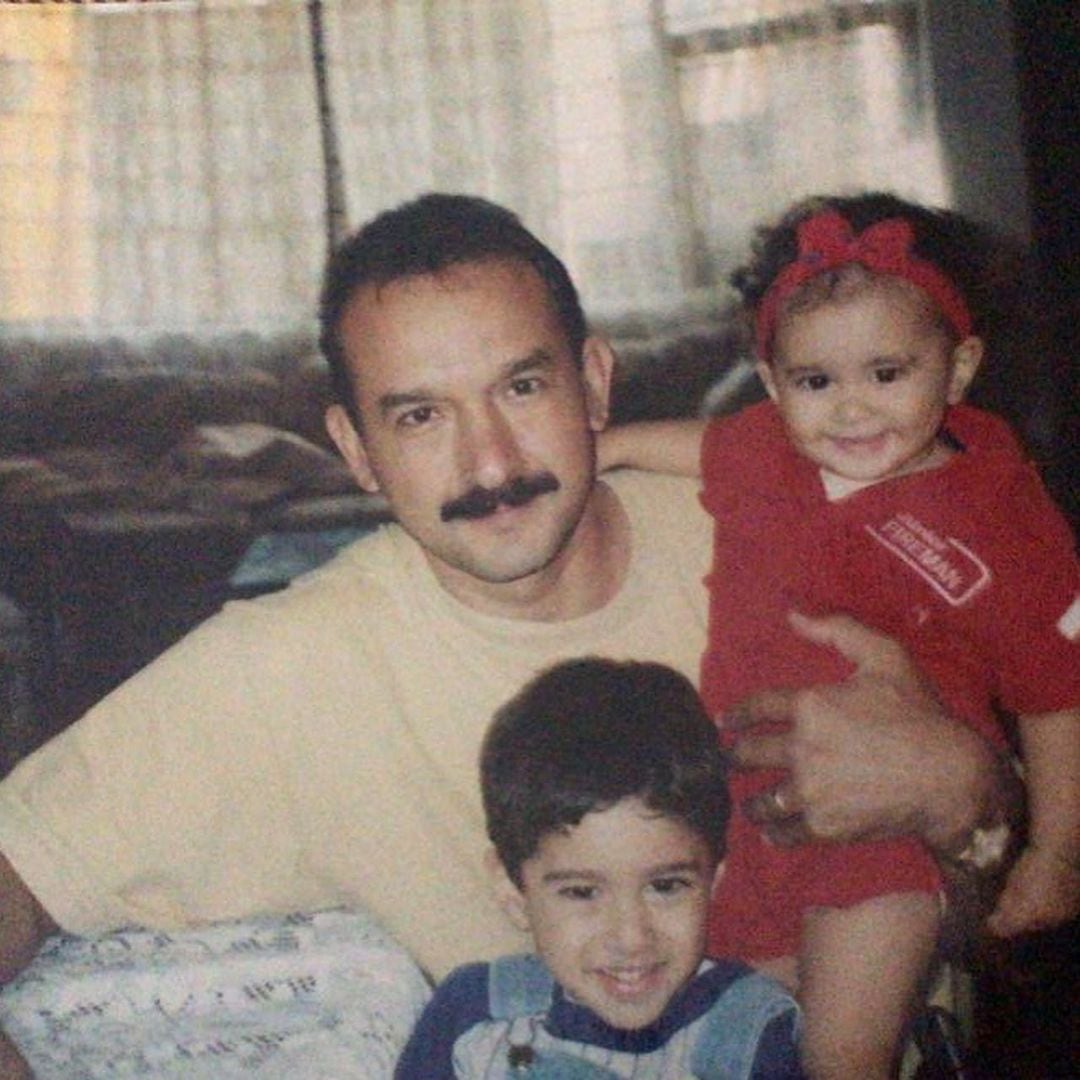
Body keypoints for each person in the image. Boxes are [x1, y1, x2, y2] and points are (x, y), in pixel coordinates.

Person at [0, 193, 1021, 1076]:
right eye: (420, 417)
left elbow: (1025, 916)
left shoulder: (804, 528)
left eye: (521, 388)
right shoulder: (283, 669)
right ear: (355, 449)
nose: (489, 462)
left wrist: (966, 795)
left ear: (596, 383)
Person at [600, 193, 1080, 1078]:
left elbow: (1058, 695)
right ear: (773, 383)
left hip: (887, 831)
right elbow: (699, 445)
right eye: (817, 382)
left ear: (959, 368)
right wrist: (613, 445)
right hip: (748, 820)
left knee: (842, 1055)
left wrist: (1056, 852)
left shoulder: (1003, 515)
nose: (853, 410)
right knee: (736, 1041)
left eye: (887, 374)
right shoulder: (763, 452)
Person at [395, 657, 803, 1079]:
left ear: (713, 880)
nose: (631, 938)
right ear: (513, 890)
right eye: (581, 892)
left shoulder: (750, 1034)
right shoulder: (473, 1019)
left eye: (666, 886)